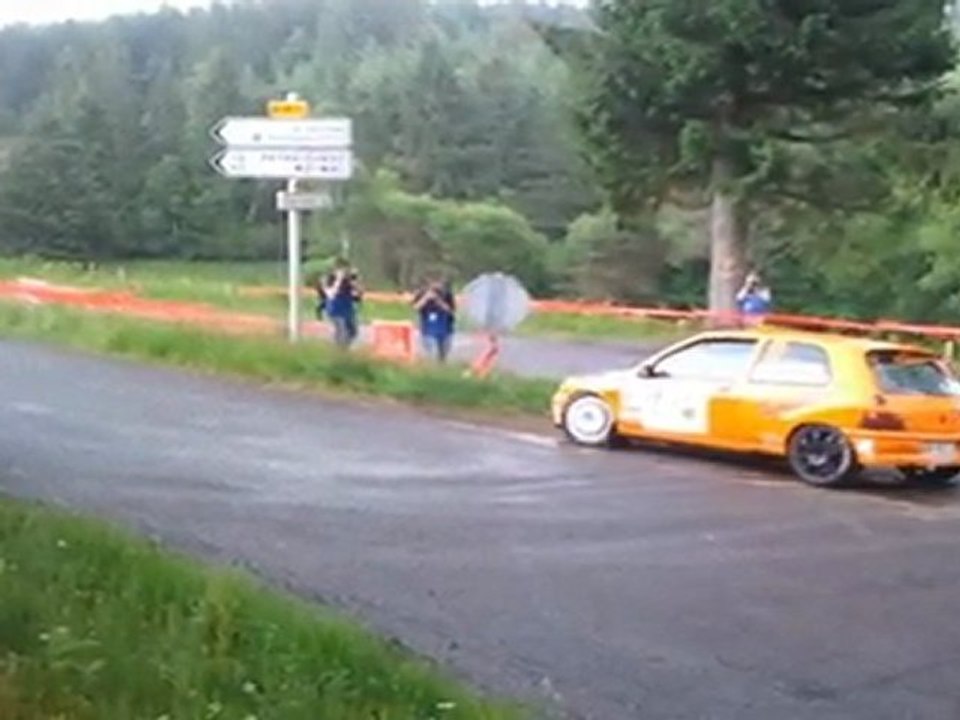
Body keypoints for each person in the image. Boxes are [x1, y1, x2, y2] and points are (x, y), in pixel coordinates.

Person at [412, 277, 456, 362]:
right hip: (428, 328)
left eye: (438, 283)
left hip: (446, 328)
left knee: (443, 353)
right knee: (431, 352)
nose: (436, 285)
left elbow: (450, 310)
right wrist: (426, 298)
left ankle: (441, 368)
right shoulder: (422, 293)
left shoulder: (447, 294)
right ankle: (432, 367)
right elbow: (416, 307)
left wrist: (438, 300)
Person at [323, 258, 364, 348]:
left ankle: (343, 349)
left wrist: (356, 282)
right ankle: (339, 351)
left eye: (346, 269)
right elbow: (331, 294)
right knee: (341, 331)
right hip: (335, 309)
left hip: (347, 309)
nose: (344, 272)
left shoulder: (348, 280)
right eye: (341, 269)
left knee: (353, 331)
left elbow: (358, 294)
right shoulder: (329, 279)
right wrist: (338, 280)